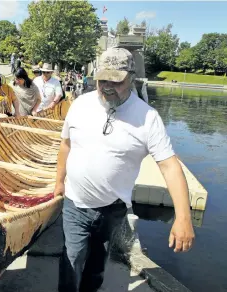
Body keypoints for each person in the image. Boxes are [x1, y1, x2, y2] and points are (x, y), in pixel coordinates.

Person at [54, 47, 195, 292]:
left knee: (97, 264)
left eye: (115, 81)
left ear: (131, 78)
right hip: (75, 203)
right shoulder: (80, 104)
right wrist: (59, 181)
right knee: (72, 259)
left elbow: (170, 166)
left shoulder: (148, 118)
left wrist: (183, 217)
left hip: (112, 209)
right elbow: (65, 145)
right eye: (102, 80)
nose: (107, 86)